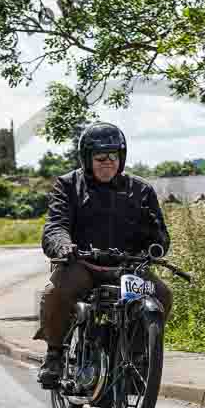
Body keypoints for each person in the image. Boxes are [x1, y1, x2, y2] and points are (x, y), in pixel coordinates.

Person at [35, 122, 173, 387]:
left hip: (127, 267)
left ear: (121, 158)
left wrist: (157, 245)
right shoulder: (67, 185)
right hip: (83, 264)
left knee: (162, 294)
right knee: (55, 291)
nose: (107, 163)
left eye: (113, 156)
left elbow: (159, 232)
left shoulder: (141, 190)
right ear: (88, 159)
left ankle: (136, 358)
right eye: (100, 158)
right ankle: (54, 354)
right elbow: (55, 226)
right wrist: (63, 245)